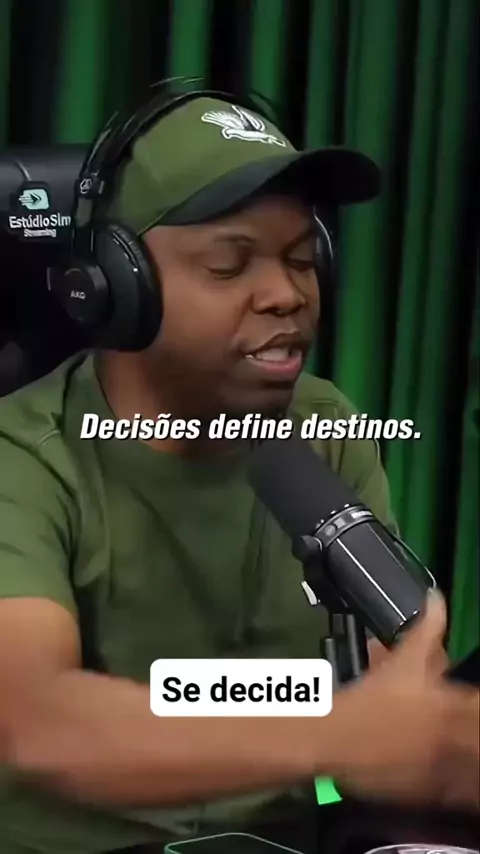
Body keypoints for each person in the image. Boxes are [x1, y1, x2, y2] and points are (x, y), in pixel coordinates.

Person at [0, 91, 478, 854]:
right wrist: (338, 732)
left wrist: (431, 739)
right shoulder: (22, 455)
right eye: (229, 264)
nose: (287, 295)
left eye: (303, 260)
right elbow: (38, 723)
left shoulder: (323, 427)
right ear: (116, 284)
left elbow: (391, 693)